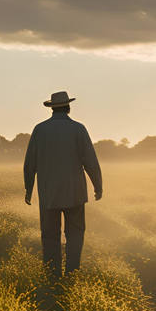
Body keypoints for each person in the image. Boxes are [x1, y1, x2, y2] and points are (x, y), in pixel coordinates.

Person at [24, 90, 103, 277]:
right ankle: (72, 272)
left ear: (52, 109)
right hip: (75, 192)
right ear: (68, 107)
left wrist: (28, 189)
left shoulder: (40, 130)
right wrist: (98, 185)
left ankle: (52, 275)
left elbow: (30, 163)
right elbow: (90, 161)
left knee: (50, 236)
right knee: (75, 234)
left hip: (49, 193)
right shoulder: (78, 129)